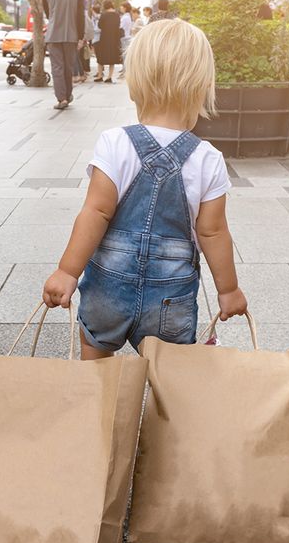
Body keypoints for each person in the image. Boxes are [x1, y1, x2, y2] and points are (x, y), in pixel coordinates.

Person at [42, 19, 248, 359]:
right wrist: (229, 290)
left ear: (135, 81)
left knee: (95, 374)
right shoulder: (207, 158)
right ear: (202, 86)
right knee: (170, 380)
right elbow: (213, 232)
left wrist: (67, 272)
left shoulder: (115, 143)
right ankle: (161, 411)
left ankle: (100, 408)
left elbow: (96, 212)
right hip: (171, 299)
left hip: (107, 288)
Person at [41, 0, 85, 110]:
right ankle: (68, 94)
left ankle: (61, 98)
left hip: (53, 34)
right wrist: (81, 37)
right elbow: (80, 17)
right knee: (68, 67)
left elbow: (48, 14)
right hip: (72, 35)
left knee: (57, 68)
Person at [94, 0, 122, 83]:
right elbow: (118, 26)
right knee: (112, 57)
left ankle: (100, 75)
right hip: (114, 38)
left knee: (100, 57)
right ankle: (109, 76)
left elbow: (100, 25)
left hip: (104, 38)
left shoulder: (104, 15)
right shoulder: (117, 15)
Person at [118, 2, 134, 78]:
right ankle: (125, 71)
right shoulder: (128, 16)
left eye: (121, 7)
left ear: (124, 8)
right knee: (125, 55)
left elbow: (121, 27)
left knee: (125, 56)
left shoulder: (125, 17)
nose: (120, 8)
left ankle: (125, 72)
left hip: (125, 38)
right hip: (127, 37)